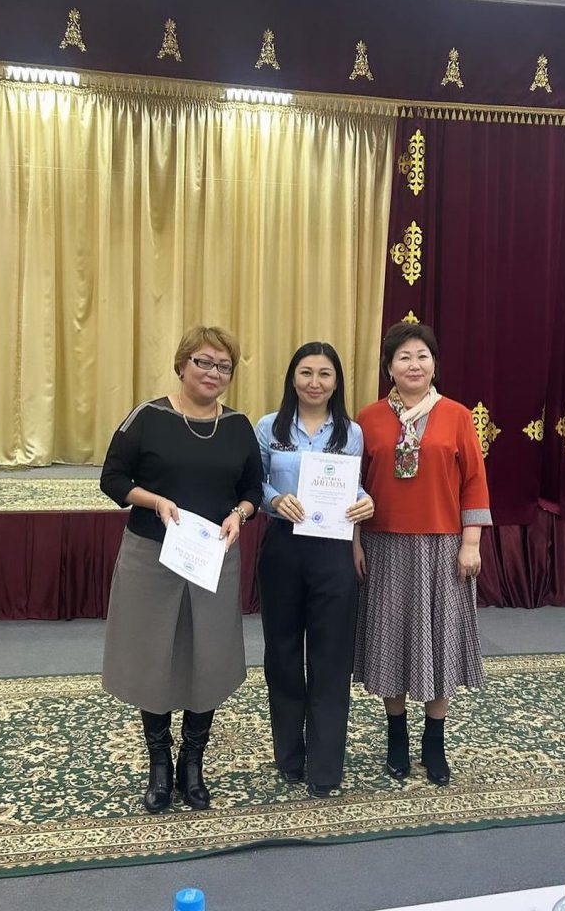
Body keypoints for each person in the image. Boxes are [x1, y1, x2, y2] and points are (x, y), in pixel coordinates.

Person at [100, 325, 262, 813]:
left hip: (213, 558)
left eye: (223, 366)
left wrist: (241, 515)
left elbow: (253, 488)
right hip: (152, 555)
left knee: (207, 657)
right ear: (182, 363)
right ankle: (160, 765)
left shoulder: (238, 426)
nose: (213, 372)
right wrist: (154, 501)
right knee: (153, 656)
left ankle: (193, 762)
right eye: (203, 362)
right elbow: (112, 478)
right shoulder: (148, 417)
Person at [352, 322, 491, 786]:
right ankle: (396, 736)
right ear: (389, 367)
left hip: (443, 547)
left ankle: (435, 740)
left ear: (434, 364)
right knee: (390, 643)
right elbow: (354, 487)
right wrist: (355, 540)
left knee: (440, 644)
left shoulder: (457, 415)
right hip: (384, 546)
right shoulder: (368, 419)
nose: (414, 365)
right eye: (404, 357)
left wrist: (470, 542)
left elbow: (474, 481)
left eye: (422, 356)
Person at [256, 342, 375, 798]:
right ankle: (289, 756)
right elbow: (254, 482)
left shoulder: (350, 432)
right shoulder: (269, 426)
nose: (314, 382)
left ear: (336, 381)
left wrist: (366, 501)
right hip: (283, 548)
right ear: (293, 377)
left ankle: (325, 766)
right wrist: (274, 499)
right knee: (283, 655)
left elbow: (354, 485)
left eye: (325, 374)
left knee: (330, 658)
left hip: (333, 551)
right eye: (306, 372)